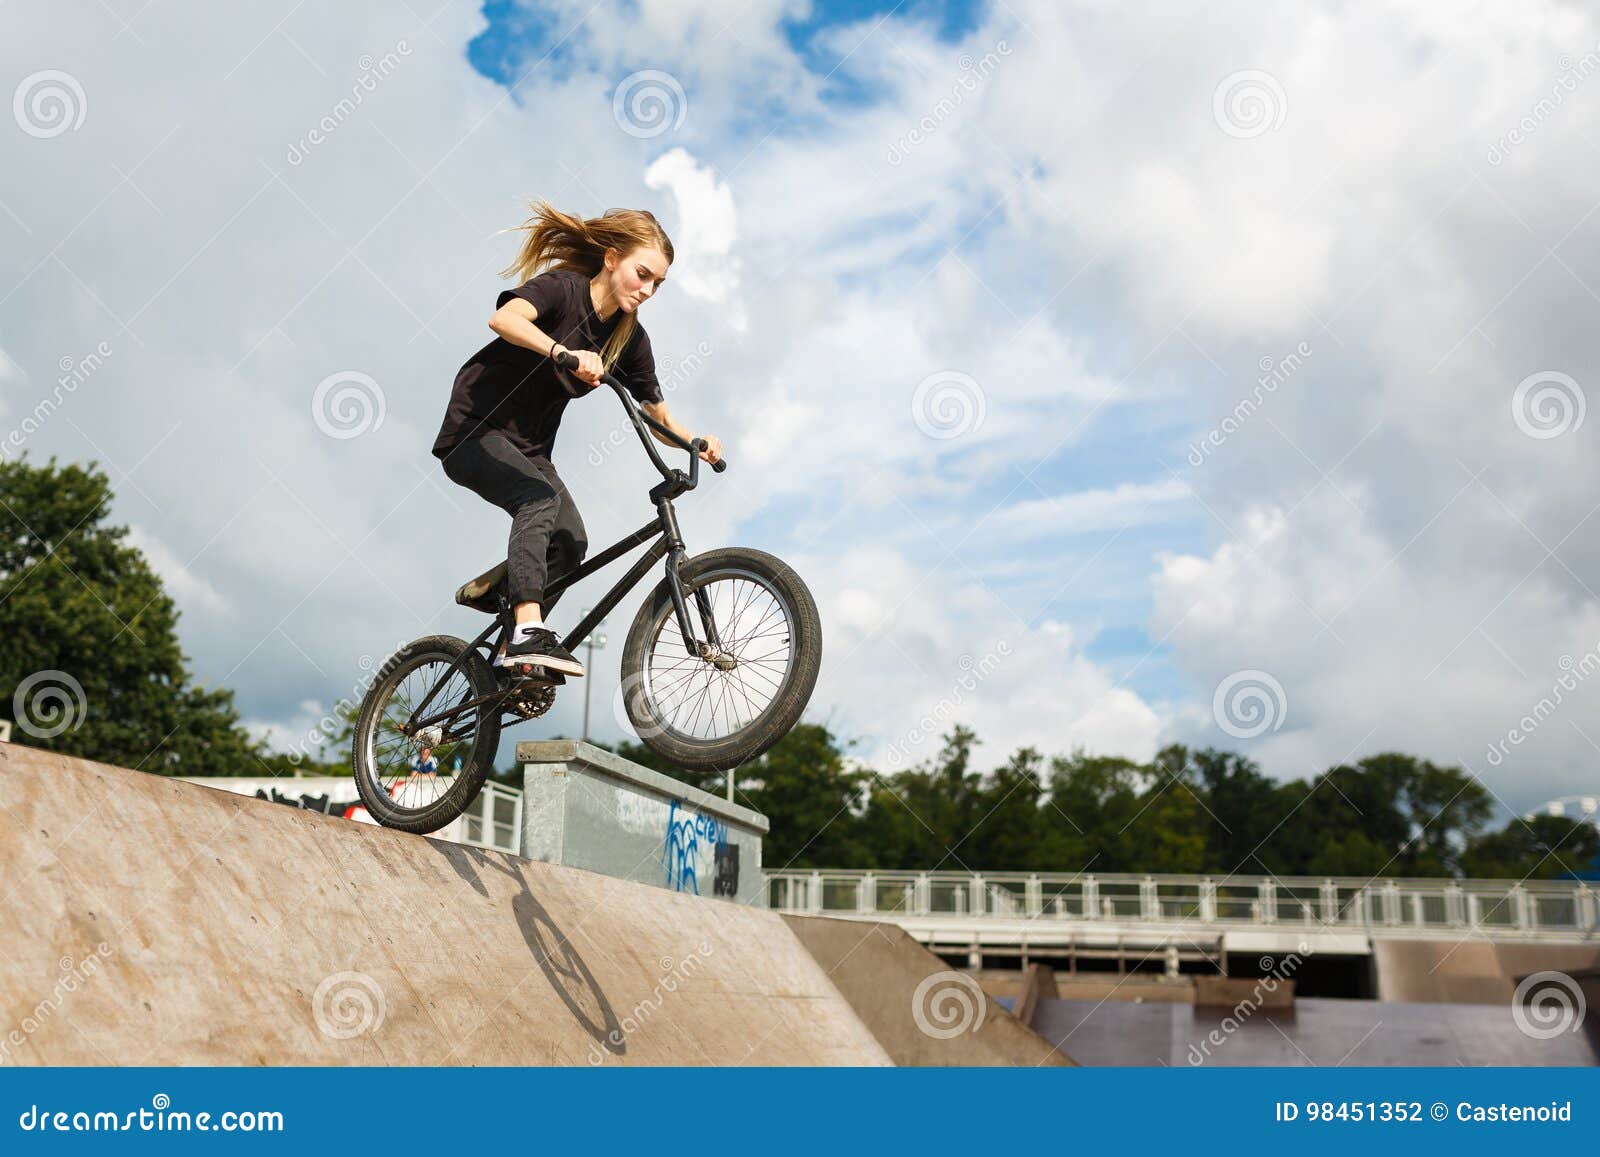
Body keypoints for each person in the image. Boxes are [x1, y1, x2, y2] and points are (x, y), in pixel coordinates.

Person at [432, 200, 722, 679]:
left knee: (570, 541)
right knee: (538, 500)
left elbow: (658, 416)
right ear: (611, 259)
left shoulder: (629, 339)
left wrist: (695, 442)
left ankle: (508, 658)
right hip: (474, 430)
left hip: (530, 450)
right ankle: (528, 629)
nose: (648, 290)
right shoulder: (562, 290)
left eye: (657, 284)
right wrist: (561, 351)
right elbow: (504, 320)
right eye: (642, 275)